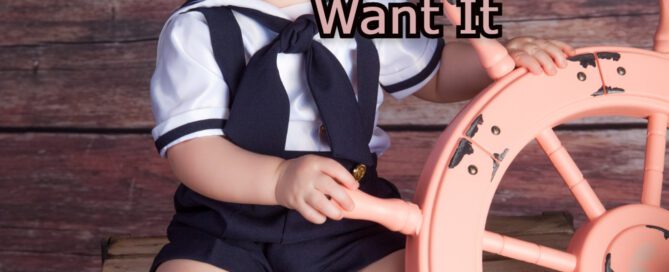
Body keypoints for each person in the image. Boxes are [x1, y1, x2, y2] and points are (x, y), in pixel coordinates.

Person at [148, 0, 575, 271]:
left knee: (415, 265)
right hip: (229, 221)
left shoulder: (370, 11)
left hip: (351, 212)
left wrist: (498, 58)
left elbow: (439, 74)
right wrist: (278, 179)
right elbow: (193, 149)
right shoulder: (200, 27)